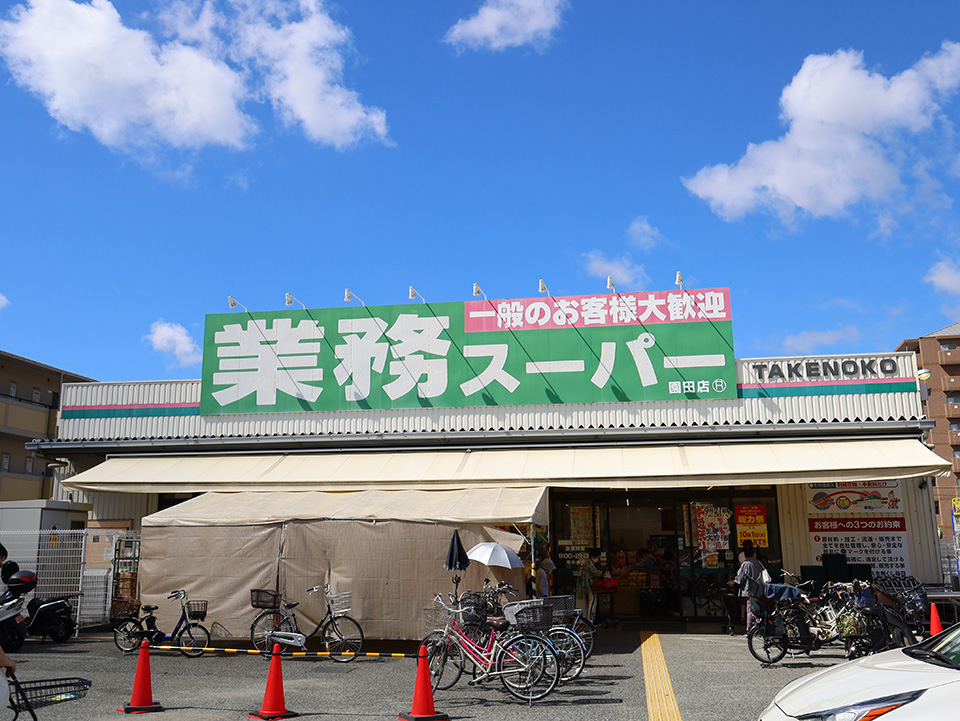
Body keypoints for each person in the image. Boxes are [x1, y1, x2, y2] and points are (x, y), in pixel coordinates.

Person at [732, 546, 764, 630]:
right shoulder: (758, 563)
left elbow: (740, 578)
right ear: (753, 554)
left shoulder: (745, 564)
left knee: (750, 609)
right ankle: (759, 625)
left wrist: (734, 581)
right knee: (757, 608)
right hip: (758, 589)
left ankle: (749, 628)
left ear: (745, 555)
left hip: (749, 589)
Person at [578, 550, 603, 623]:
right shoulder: (589, 564)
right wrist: (602, 571)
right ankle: (590, 619)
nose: (597, 559)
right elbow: (596, 573)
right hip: (589, 585)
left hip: (586, 585)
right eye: (597, 558)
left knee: (590, 601)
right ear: (592, 557)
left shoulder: (587, 563)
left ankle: (590, 619)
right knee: (592, 601)